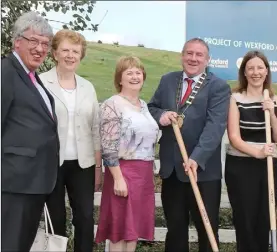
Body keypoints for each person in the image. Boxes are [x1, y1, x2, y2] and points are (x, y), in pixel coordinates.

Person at [147, 38, 230, 252]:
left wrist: (196, 158)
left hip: (202, 171)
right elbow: (151, 107)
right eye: (189, 53)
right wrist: (162, 115)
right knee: (175, 229)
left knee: (207, 228)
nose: (193, 58)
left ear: (207, 59)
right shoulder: (167, 80)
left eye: (199, 55)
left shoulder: (219, 87)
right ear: (182, 56)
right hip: (172, 170)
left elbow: (215, 127)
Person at [38, 29, 102, 252]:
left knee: (84, 217)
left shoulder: (88, 87)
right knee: (56, 219)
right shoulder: (40, 82)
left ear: (81, 55)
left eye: (75, 51)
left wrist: (98, 166)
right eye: (65, 49)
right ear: (54, 53)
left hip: (83, 164)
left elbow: (95, 128)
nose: (70, 55)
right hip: (51, 164)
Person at [1, 11, 58, 251]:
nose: (39, 48)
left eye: (45, 43)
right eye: (33, 41)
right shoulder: (5, 73)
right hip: (14, 183)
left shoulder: (32, 77)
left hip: (34, 182)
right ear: (17, 41)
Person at [95, 56, 160, 252]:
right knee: (118, 229)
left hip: (144, 174)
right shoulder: (112, 104)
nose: (134, 76)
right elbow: (108, 145)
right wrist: (118, 178)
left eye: (138, 72)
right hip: (122, 172)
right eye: (129, 72)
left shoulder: (144, 105)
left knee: (133, 229)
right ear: (120, 79)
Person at [225, 50, 277, 252]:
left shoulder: (274, 99)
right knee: (245, 220)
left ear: (267, 71)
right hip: (241, 166)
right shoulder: (236, 98)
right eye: (250, 68)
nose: (255, 72)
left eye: (260, 67)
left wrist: (271, 112)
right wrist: (257, 152)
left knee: (264, 219)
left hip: (268, 167)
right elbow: (234, 137)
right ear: (244, 72)